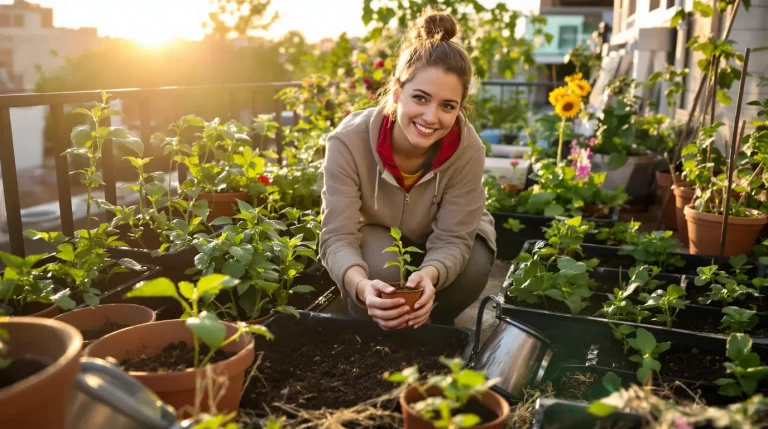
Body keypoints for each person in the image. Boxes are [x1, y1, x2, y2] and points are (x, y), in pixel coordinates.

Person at [318, 10, 496, 330]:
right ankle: (372, 321)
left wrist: (430, 276)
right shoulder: (348, 141)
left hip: (445, 235)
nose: (431, 117)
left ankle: (434, 323)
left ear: (460, 107)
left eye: (447, 106)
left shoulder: (468, 150)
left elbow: (454, 238)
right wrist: (362, 288)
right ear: (397, 93)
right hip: (381, 232)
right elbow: (337, 236)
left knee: (472, 267)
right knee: (379, 271)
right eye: (420, 98)